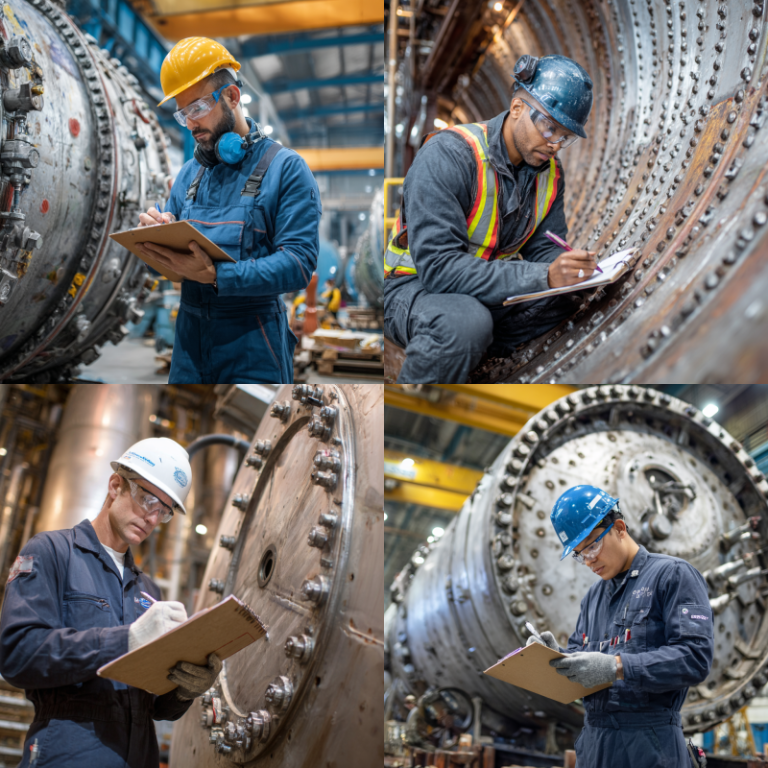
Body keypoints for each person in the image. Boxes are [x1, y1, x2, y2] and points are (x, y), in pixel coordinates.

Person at [0, 437, 222, 768]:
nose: (153, 519)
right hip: (70, 750)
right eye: (148, 500)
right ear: (116, 485)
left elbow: (155, 706)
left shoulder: (148, 590)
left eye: (164, 511)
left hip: (140, 755)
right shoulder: (53, 552)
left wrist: (185, 689)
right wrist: (127, 639)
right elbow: (18, 653)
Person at [384, 54, 598, 383]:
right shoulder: (449, 156)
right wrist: (544, 276)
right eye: (549, 127)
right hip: (414, 287)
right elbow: (440, 270)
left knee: (570, 297)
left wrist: (568, 271)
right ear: (517, 108)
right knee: (464, 323)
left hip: (479, 289)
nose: (554, 144)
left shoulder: (549, 174)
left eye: (565, 136)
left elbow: (544, 247)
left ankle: (477, 351)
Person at [137, 38, 322, 384]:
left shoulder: (285, 168)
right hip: (189, 343)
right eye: (182, 113)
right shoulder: (190, 175)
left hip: (254, 344)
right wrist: (154, 239)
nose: (190, 124)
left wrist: (216, 276)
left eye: (197, 108)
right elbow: (164, 265)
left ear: (232, 97)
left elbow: (298, 265)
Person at [526, 485, 714, 768]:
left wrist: (616, 667)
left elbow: (695, 659)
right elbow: (583, 662)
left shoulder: (672, 575)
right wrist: (555, 658)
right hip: (595, 745)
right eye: (579, 553)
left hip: (651, 747)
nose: (588, 560)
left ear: (619, 528)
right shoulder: (593, 597)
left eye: (592, 546)